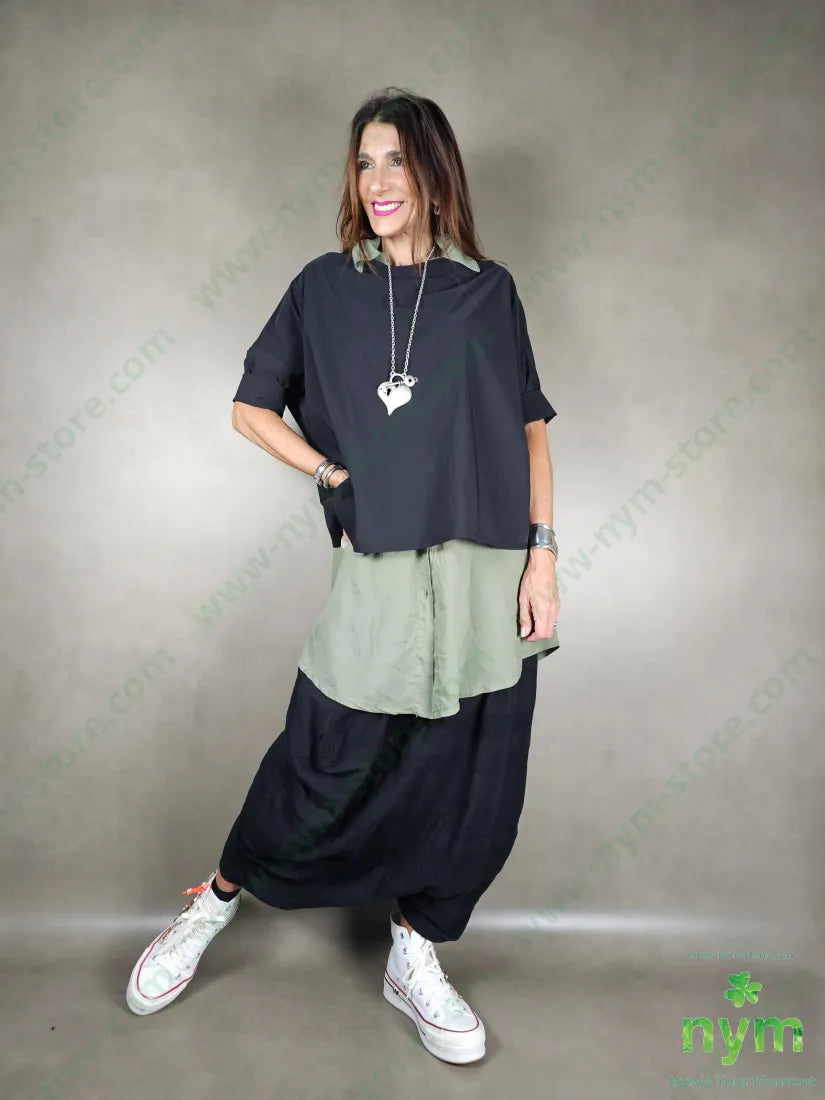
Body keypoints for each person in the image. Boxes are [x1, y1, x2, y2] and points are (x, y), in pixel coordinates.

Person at [126, 86, 561, 1067]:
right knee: (326, 755)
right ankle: (214, 903)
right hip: (383, 568)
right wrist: (330, 473)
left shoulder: (488, 292)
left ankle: (415, 949)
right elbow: (250, 408)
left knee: (472, 775)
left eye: (396, 159)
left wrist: (543, 553)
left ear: (435, 172)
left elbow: (530, 427)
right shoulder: (323, 289)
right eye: (364, 162)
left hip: (489, 569)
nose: (377, 181)